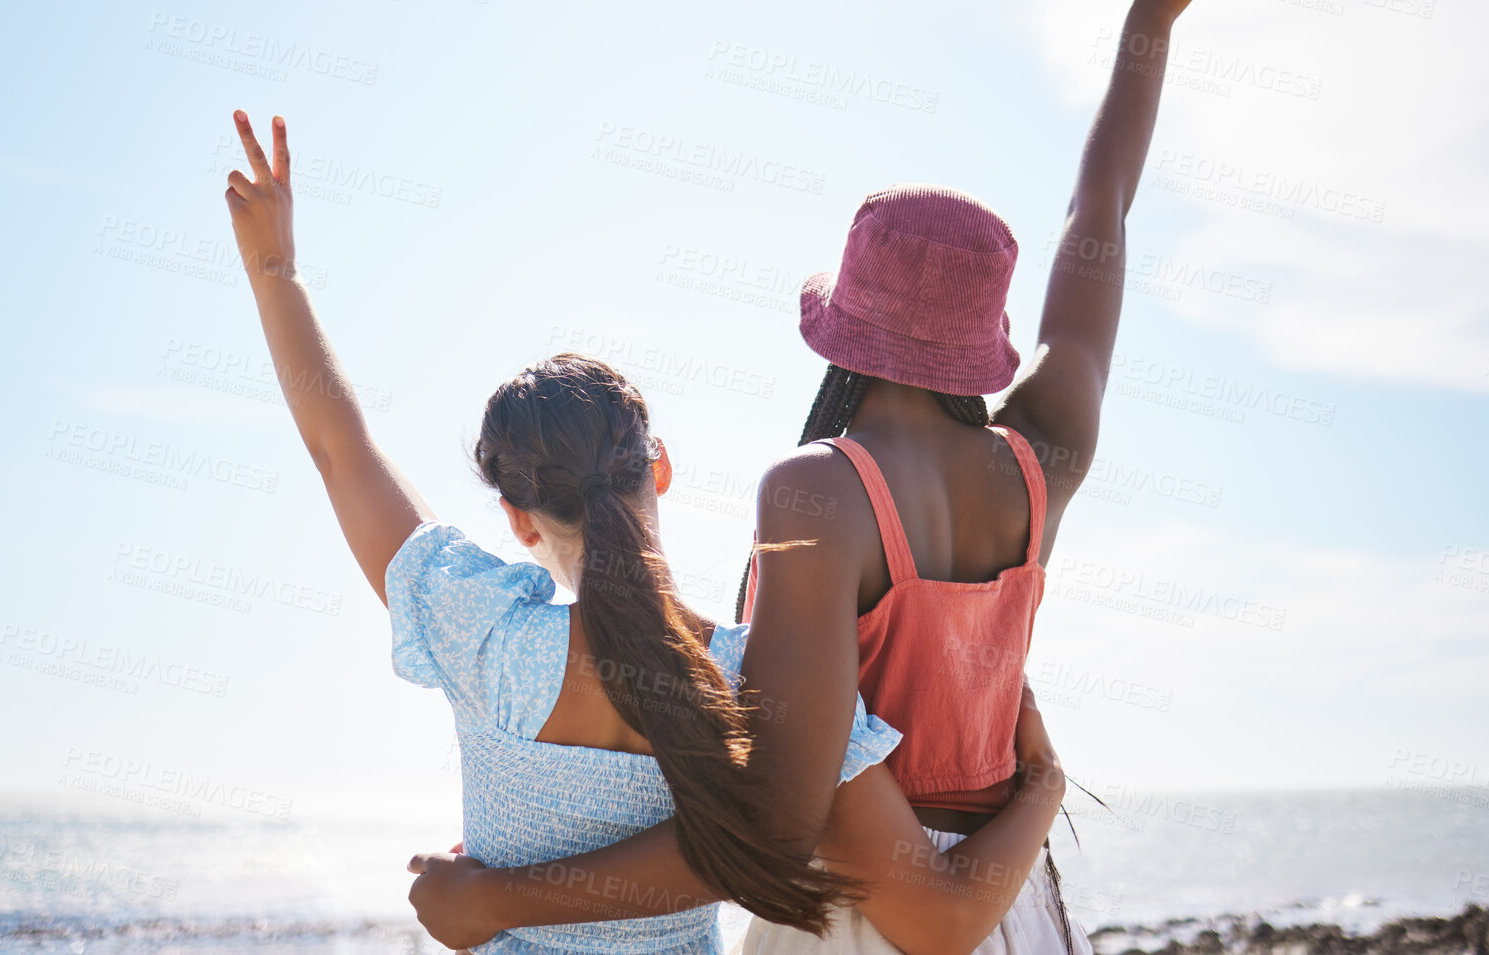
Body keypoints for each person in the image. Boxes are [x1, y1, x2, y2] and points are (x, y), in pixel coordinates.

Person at [406, 0, 1255, 955]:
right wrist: (1155, 15)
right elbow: (1101, 218)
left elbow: (786, 817)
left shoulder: (817, 490)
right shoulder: (1042, 461)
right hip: (1020, 912)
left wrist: (503, 900)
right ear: (980, 340)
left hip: (859, 924)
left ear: (844, 330)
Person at [219, 113, 1070, 954]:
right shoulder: (759, 683)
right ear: (657, 466)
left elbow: (341, 450)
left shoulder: (479, 634)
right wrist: (1036, 789)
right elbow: (806, 851)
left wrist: (275, 270)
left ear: (517, 517)